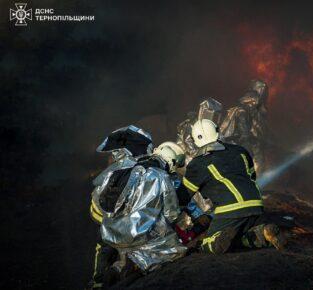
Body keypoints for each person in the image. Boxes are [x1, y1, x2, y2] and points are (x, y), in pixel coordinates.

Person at [179, 119, 286, 254]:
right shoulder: (240, 151)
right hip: (256, 206)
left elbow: (182, 198)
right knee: (241, 239)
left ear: (195, 141)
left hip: (230, 210)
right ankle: (263, 232)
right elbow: (251, 177)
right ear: (217, 132)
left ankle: (215, 242)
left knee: (207, 245)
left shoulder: (197, 164)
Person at [99, 140, 188, 284]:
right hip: (138, 234)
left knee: (128, 249)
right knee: (175, 252)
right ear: (170, 163)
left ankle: (118, 268)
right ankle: (140, 268)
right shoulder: (162, 176)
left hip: (111, 233)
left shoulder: (125, 170)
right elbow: (172, 213)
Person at [88, 125, 152, 289]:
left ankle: (105, 277)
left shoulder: (126, 169)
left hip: (111, 218)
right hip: (106, 217)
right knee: (105, 247)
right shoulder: (119, 172)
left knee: (107, 248)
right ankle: (100, 280)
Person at [220, 79, 269, 173]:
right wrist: (247, 144)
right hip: (240, 147)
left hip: (247, 146)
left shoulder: (251, 112)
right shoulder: (242, 111)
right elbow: (244, 131)